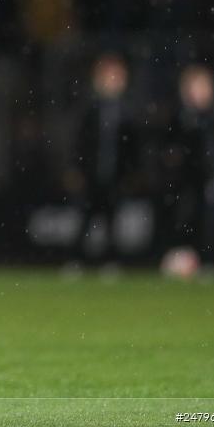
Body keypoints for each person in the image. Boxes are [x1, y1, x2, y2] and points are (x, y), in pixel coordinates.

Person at [157, 65, 214, 267]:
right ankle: (178, 257)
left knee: (209, 220)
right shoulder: (179, 117)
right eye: (195, 87)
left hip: (210, 177)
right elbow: (167, 148)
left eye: (203, 87)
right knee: (181, 218)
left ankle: (208, 260)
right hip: (183, 180)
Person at [70, 53, 139, 267]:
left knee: (112, 221)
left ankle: (110, 260)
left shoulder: (128, 113)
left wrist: (131, 173)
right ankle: (77, 259)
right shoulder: (89, 110)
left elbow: (133, 149)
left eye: (116, 77)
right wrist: (76, 168)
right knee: (86, 218)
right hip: (92, 174)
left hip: (115, 176)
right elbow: (79, 143)